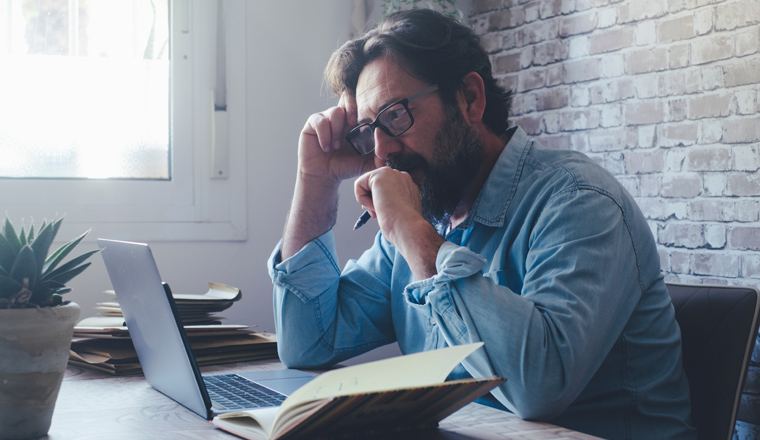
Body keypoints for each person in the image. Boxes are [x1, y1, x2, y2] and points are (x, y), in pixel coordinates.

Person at [268, 8, 695, 440]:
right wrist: (316, 181)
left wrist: (414, 236)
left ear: (469, 99)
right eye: (367, 129)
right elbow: (308, 343)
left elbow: (538, 388)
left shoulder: (580, 202)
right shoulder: (428, 212)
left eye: (395, 115)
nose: (380, 150)